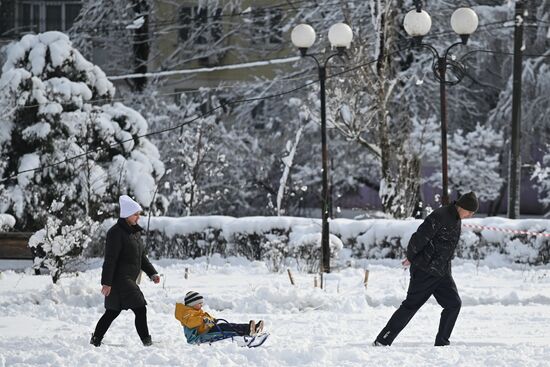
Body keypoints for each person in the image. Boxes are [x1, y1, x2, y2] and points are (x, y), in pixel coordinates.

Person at [373, 191, 479, 347]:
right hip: (425, 270)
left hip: (442, 272)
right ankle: (383, 340)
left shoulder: (456, 218)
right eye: (469, 212)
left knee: (454, 304)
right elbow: (419, 237)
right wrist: (411, 256)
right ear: (462, 206)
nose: (469, 215)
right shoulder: (441, 215)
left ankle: (442, 343)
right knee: (411, 306)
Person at [90, 195, 161, 347]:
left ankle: (96, 339)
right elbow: (110, 259)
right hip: (120, 279)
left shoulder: (134, 233)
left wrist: (152, 273)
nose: (138, 217)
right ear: (127, 214)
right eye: (135, 214)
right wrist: (106, 282)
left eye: (138, 214)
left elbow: (142, 257)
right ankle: (146, 342)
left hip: (126, 279)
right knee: (140, 307)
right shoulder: (115, 233)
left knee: (112, 312)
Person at [175, 291, 265, 344]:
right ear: (192, 304)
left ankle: (250, 328)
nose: (201, 305)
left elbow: (205, 318)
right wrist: (203, 319)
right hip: (199, 336)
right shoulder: (186, 313)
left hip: (207, 329)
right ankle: (247, 332)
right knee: (226, 330)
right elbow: (191, 322)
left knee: (228, 325)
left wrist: (213, 320)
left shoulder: (196, 311)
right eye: (199, 303)